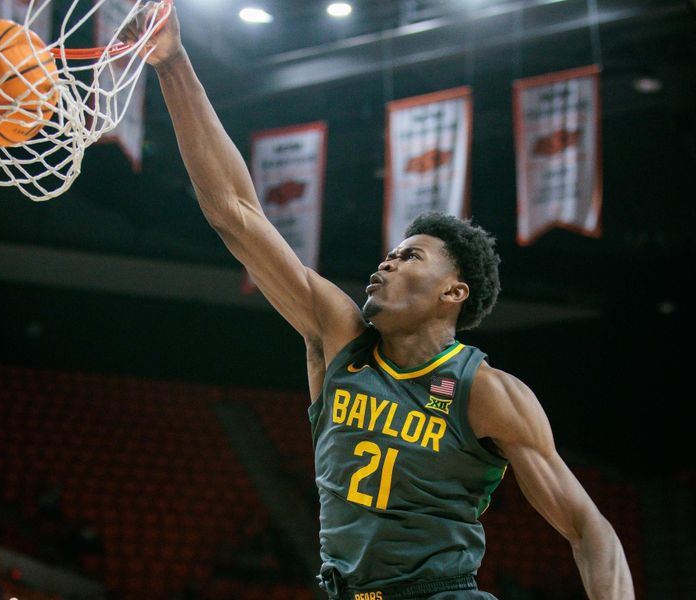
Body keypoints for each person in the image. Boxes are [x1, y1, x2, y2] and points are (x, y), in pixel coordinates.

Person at [121, 5, 635, 599]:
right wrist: (173, 64)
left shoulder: (488, 392)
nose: (387, 261)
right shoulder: (339, 333)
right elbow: (234, 213)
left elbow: (589, 529)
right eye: (390, 252)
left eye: (410, 256)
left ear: (454, 292)